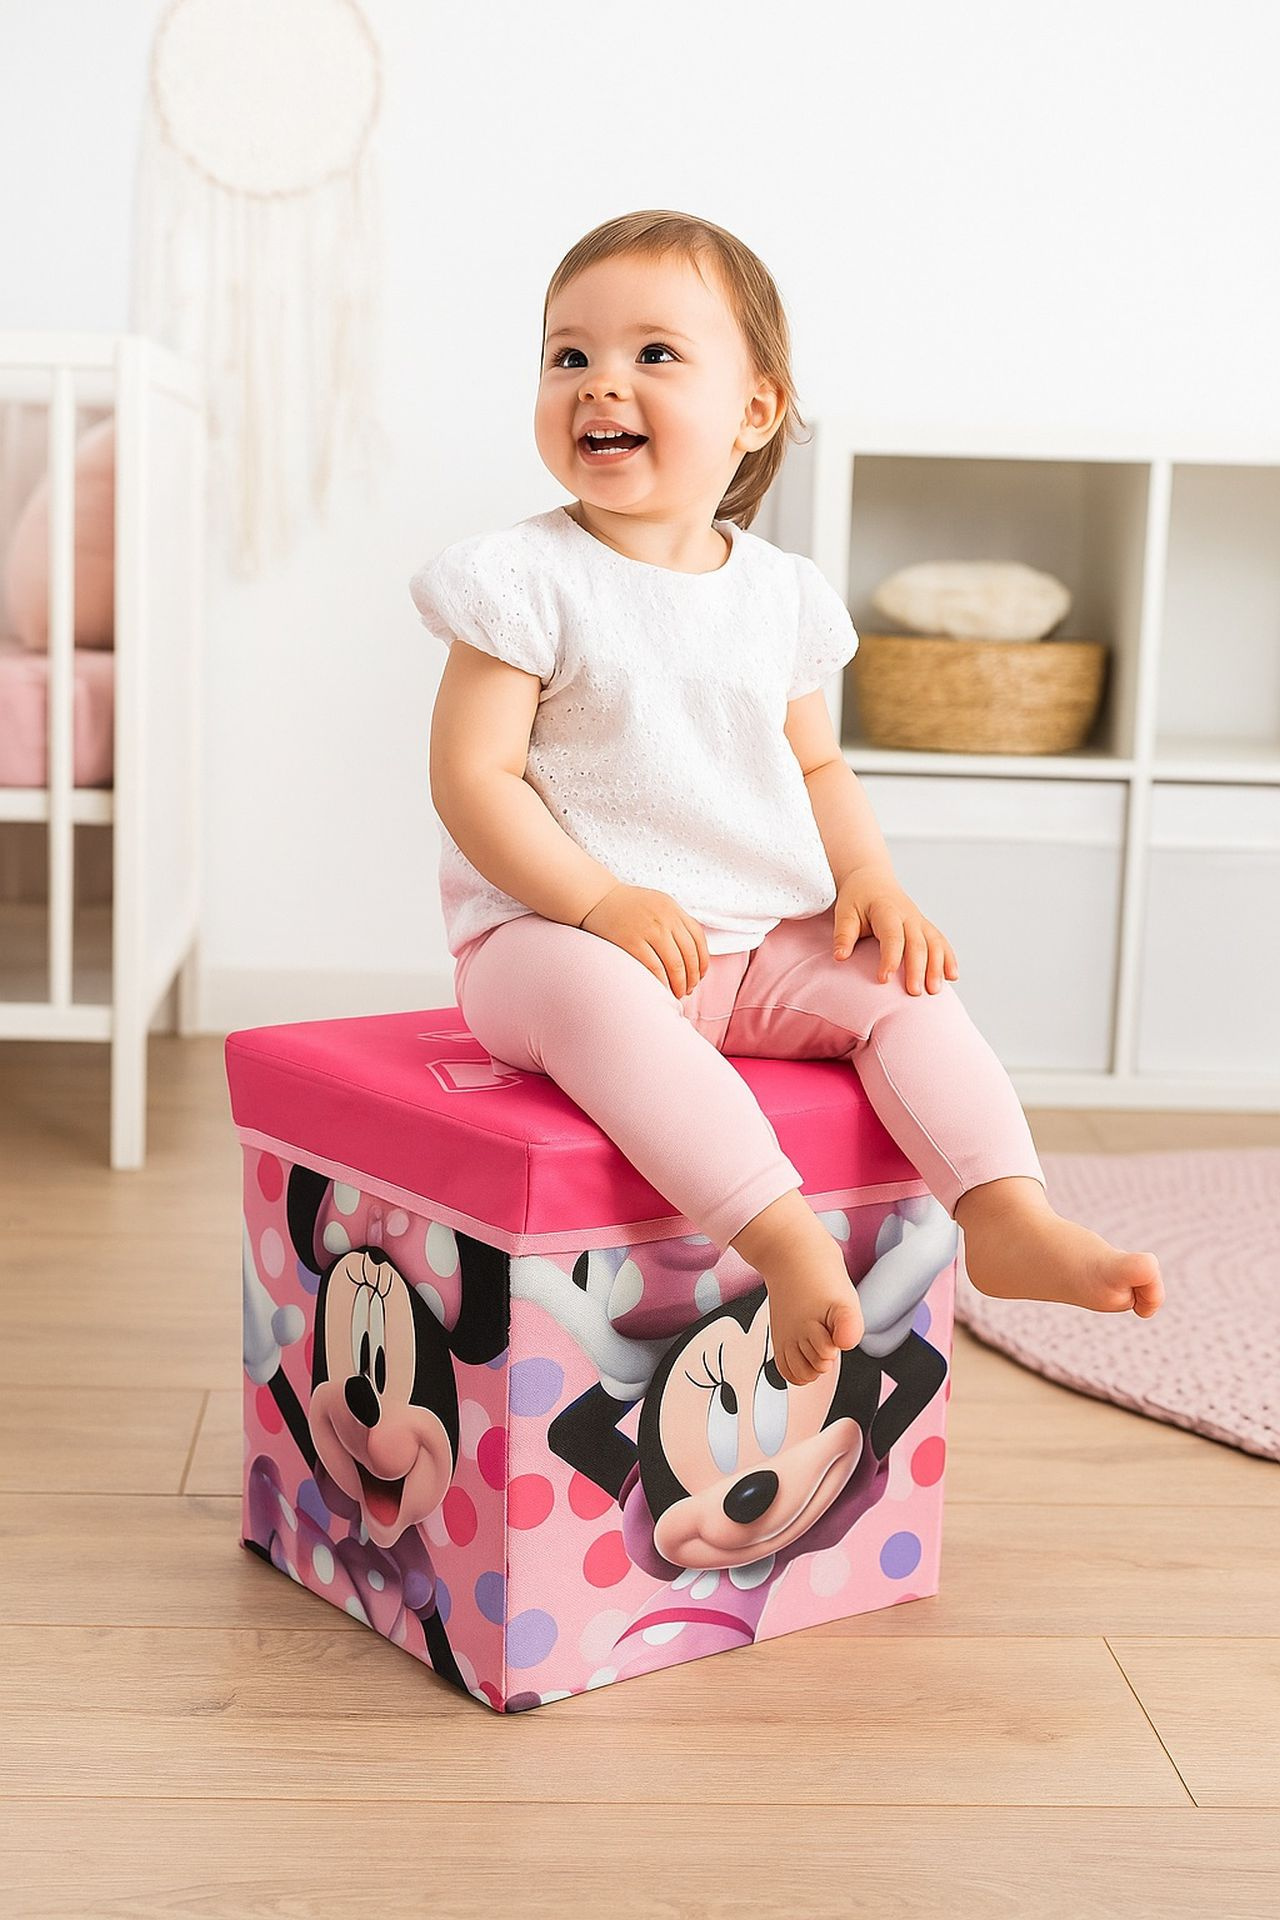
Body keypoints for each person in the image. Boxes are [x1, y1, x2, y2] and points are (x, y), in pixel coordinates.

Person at [411, 209, 1164, 1389]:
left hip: (755, 943)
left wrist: (868, 880)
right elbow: (473, 778)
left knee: (904, 986)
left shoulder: (778, 596)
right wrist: (597, 902)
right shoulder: (521, 579)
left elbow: (817, 768)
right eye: (568, 355)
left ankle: (1004, 1211)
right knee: (591, 998)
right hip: (550, 936)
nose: (599, 381)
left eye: (653, 353)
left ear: (753, 409)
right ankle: (780, 1235)